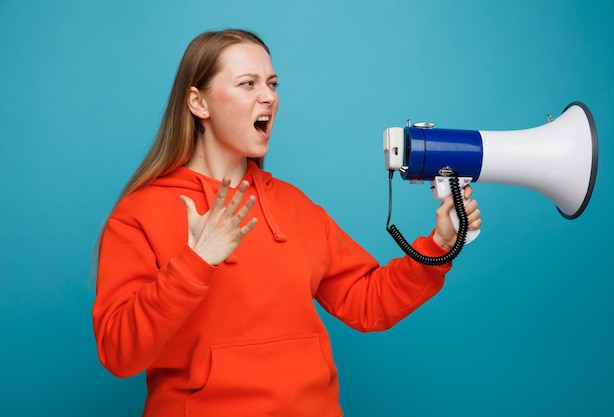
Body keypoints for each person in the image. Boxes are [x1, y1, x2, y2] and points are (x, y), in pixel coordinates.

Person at [92, 29, 482, 417]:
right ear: (199, 103)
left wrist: (437, 246)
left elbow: (366, 301)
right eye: (248, 84)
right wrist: (197, 260)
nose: (269, 97)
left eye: (272, 83)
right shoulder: (139, 214)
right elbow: (119, 353)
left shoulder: (294, 206)